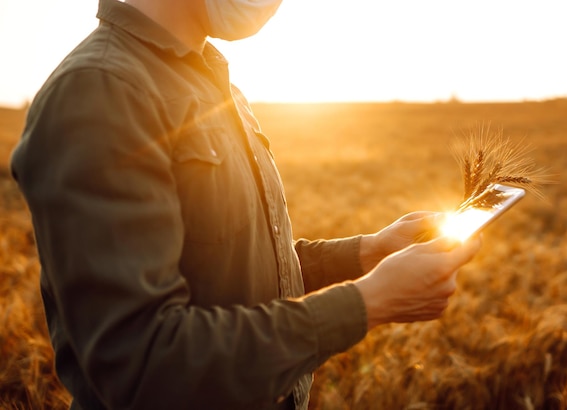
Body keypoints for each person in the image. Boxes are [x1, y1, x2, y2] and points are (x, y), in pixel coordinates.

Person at [10, 0, 481, 409]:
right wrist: (370, 301)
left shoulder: (217, 86)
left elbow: (238, 272)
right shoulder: (102, 91)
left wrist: (366, 253)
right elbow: (143, 365)